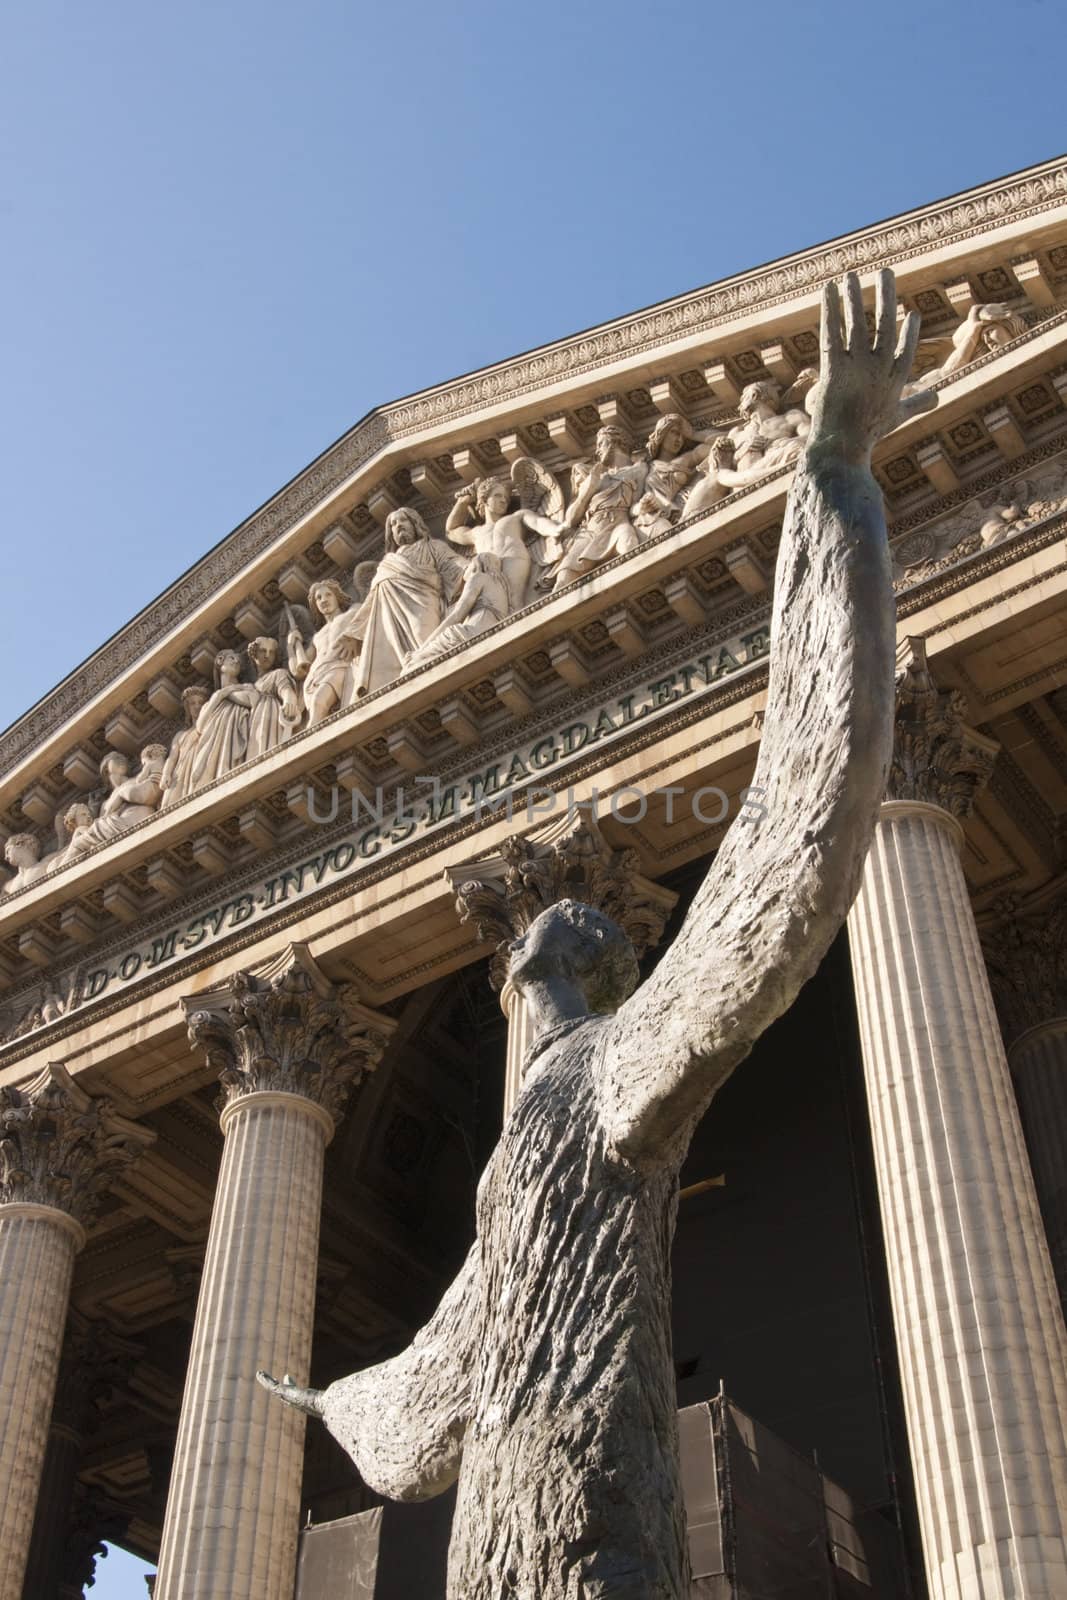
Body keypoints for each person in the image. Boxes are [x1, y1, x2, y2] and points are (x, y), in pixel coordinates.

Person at [261, 270, 936, 1600]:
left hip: (581, 1525)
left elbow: (794, 828)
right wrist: (323, 1396)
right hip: (509, 1542)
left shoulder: (620, 1076)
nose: (524, 963)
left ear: (597, 968)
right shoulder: (521, 1161)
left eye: (548, 943)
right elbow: (429, 1395)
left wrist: (829, 476)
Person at [351, 507, 468, 695]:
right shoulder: (387, 562)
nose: (398, 527)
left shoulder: (432, 546)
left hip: (424, 603)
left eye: (402, 521)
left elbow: (453, 563)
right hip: (390, 617)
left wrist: (472, 568)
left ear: (415, 524)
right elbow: (371, 603)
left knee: (427, 642)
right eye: (393, 525)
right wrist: (353, 634)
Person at [549, 425, 650, 588]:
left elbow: (634, 506)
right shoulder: (595, 477)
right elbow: (570, 520)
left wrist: (642, 507)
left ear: (614, 443)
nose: (597, 451)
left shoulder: (638, 470)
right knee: (562, 581)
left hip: (619, 525)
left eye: (601, 444)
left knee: (631, 547)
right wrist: (587, 490)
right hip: (589, 532)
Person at [403, 551, 513, 670]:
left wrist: (421, 650)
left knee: (414, 664)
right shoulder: (502, 589)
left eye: (470, 563)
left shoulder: (478, 577)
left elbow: (456, 615)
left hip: (468, 634)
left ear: (477, 565)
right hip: (492, 637)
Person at [189, 651, 255, 789]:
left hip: (235, 746)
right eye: (232, 658)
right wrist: (220, 695)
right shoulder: (211, 703)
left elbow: (252, 701)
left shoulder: (247, 688)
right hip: (212, 755)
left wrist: (228, 691)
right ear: (220, 660)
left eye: (239, 661)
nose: (236, 662)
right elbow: (200, 727)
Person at [246, 636, 302, 758]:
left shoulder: (278, 673)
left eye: (271, 652)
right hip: (253, 724)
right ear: (254, 654)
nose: (267, 655)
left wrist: (289, 702)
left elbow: (286, 690)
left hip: (269, 717)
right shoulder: (251, 686)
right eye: (263, 651)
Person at [160, 684, 210, 806]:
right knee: (170, 805)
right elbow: (172, 758)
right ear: (187, 708)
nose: (197, 706)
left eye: (200, 702)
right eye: (192, 703)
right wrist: (166, 774)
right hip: (180, 772)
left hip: (201, 763)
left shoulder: (209, 724)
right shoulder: (180, 735)